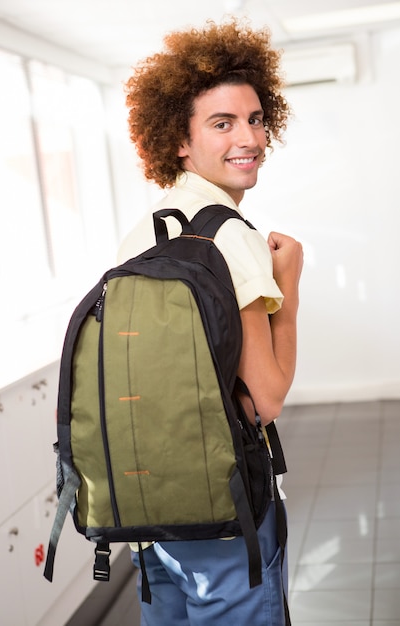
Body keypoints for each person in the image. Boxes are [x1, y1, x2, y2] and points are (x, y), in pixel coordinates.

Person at [117, 18, 303, 626]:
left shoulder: (142, 230)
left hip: (146, 504)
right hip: (222, 506)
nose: (247, 137)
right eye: (221, 123)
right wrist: (290, 284)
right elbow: (264, 399)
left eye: (254, 119)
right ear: (179, 138)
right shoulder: (230, 236)